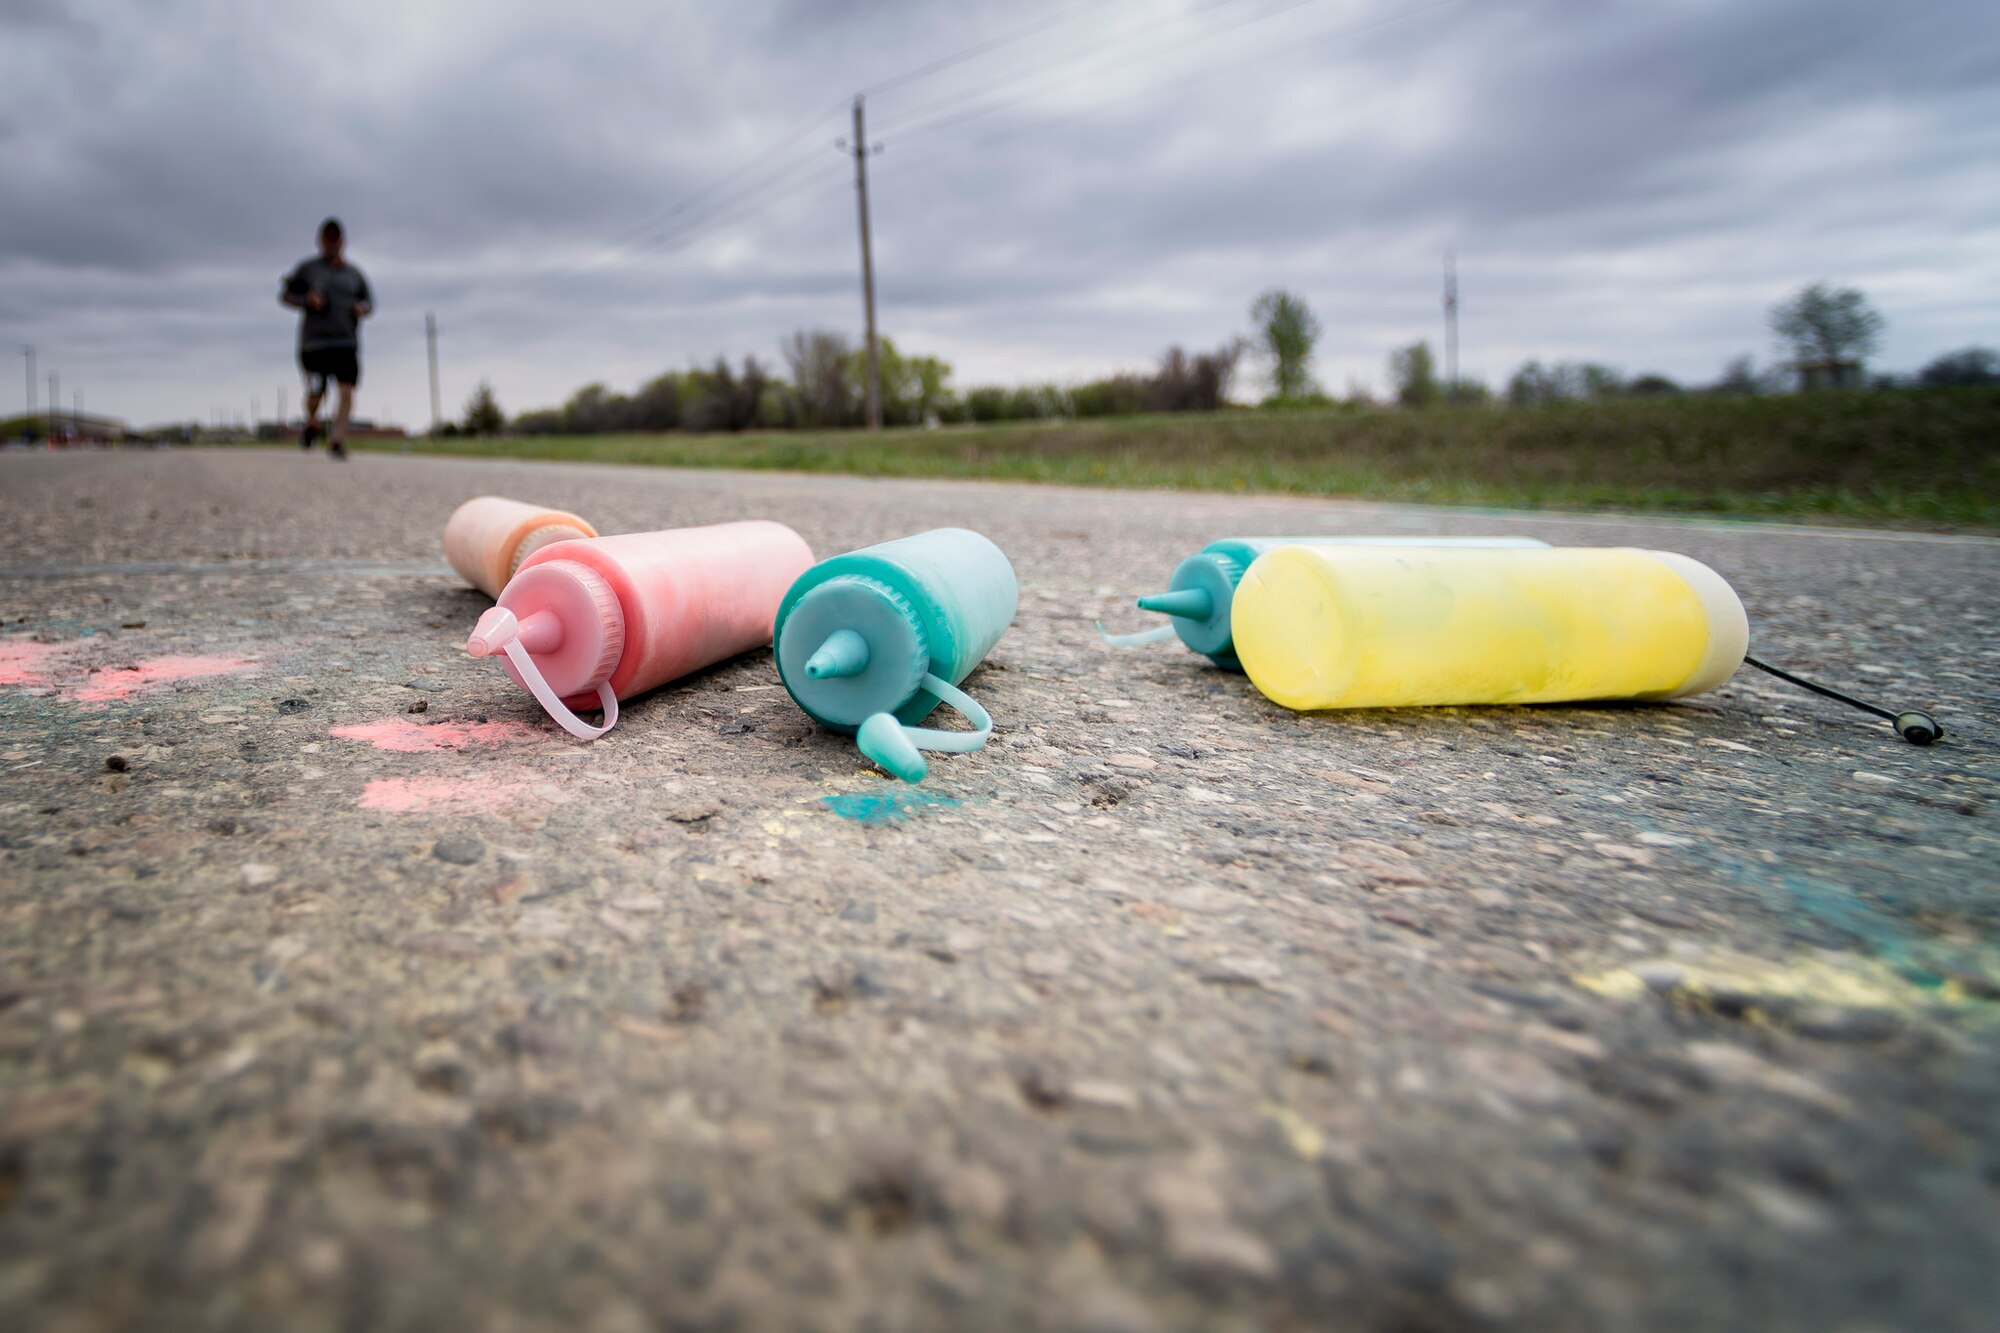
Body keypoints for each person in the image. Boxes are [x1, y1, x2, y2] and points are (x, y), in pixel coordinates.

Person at [280, 218, 371, 460]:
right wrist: (306, 300)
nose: (332, 243)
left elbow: (369, 302)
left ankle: (336, 440)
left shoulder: (354, 275)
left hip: (345, 342)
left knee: (346, 392)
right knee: (316, 393)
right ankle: (312, 422)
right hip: (315, 344)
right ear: (321, 241)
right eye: (328, 238)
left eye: (336, 238)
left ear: (342, 241)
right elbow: (286, 295)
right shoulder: (308, 270)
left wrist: (362, 308)